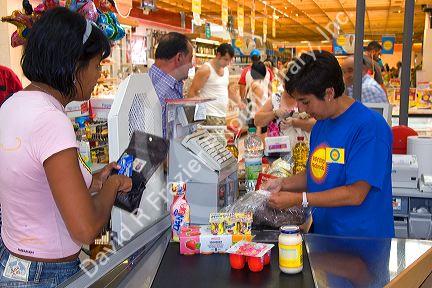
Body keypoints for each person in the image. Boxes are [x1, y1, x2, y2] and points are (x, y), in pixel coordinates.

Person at [0, 8, 132, 286]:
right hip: (47, 275)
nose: (98, 76)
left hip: (13, 264)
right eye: (96, 65)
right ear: (73, 64)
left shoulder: (12, 105)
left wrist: (93, 182)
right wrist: (113, 185)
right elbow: (86, 229)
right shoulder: (51, 120)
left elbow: (34, 183)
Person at [263, 50, 394, 238]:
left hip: (362, 243)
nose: (301, 109)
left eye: (305, 101)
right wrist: (282, 183)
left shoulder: (369, 128)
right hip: (327, 238)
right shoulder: (321, 125)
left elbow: (355, 194)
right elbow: (316, 175)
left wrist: (299, 199)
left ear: (329, 93)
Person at [148, 32, 194, 138]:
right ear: (179, 58)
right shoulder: (161, 92)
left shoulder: (153, 81)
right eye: (190, 59)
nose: (191, 65)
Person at [188, 43, 243, 126]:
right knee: (220, 139)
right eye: (225, 59)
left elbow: (227, 90)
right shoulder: (206, 70)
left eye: (229, 60)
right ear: (218, 55)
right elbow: (192, 91)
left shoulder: (226, 71)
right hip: (208, 115)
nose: (227, 63)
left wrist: (239, 102)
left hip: (221, 115)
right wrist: (197, 113)